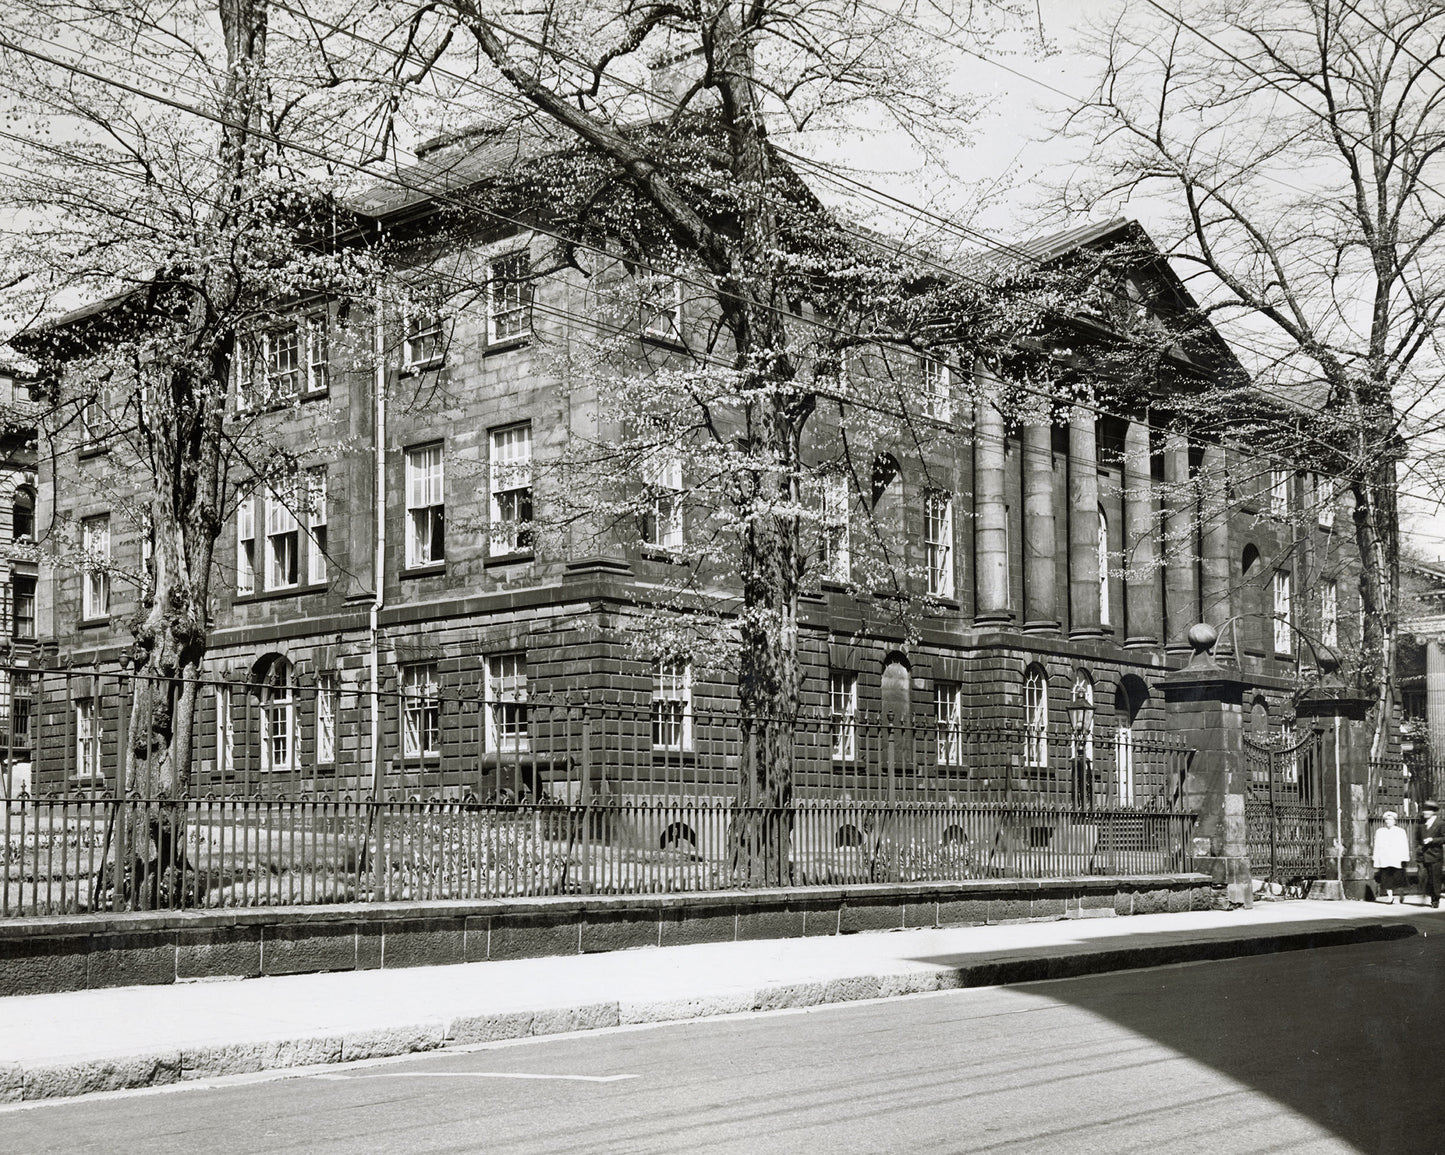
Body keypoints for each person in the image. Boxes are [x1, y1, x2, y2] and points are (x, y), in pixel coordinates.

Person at [1372, 811, 1411, 903]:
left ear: (1395, 821)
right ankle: (1390, 897)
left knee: (1399, 877)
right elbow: (1377, 845)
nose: (1388, 821)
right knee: (1386, 879)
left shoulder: (1400, 831)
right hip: (1385, 859)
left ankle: (1401, 894)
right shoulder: (1380, 832)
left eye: (1390, 819)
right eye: (1386, 819)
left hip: (1397, 859)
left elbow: (1404, 845)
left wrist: (1405, 857)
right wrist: (1376, 858)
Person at [1418, 799, 1445, 909]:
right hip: (1423, 855)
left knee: (1435, 878)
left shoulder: (1440, 823)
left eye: (1426, 810)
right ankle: (1429, 895)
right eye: (1424, 810)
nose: (1424, 812)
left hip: (1435, 855)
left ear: (1432, 811)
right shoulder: (1422, 823)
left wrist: (1432, 840)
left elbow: (1444, 838)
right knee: (1425, 877)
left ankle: (1435, 899)